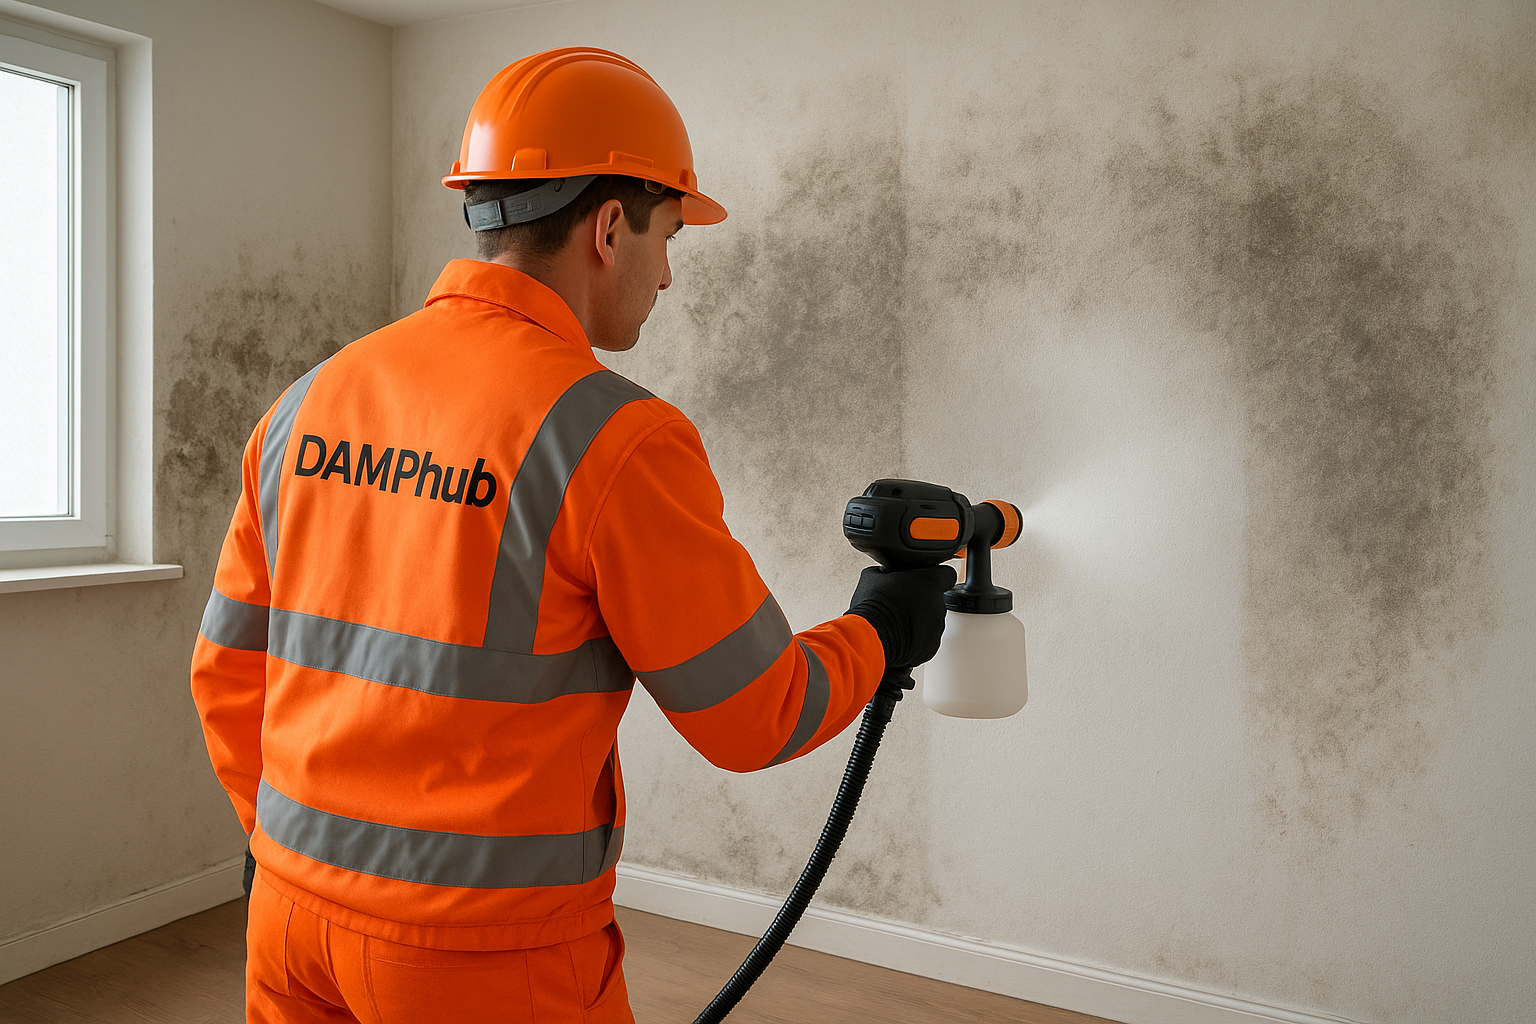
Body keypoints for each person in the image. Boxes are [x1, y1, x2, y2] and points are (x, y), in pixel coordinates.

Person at [190, 47, 954, 1024]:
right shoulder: (612, 439)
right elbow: (755, 713)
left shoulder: (309, 401)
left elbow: (226, 672)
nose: (669, 276)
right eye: (667, 234)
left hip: (288, 920)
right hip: (482, 959)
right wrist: (882, 625)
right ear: (607, 227)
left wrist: (287, 854)